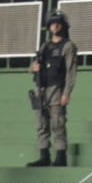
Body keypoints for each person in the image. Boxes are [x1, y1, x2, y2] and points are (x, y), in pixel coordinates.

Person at [27, 9, 77, 168]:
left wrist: (66, 93)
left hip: (57, 88)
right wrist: (32, 68)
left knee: (57, 123)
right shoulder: (45, 46)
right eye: (52, 23)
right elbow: (34, 66)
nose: (55, 26)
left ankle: (60, 157)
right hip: (41, 88)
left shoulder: (68, 45)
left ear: (63, 25)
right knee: (41, 124)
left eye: (58, 23)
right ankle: (44, 156)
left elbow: (71, 71)